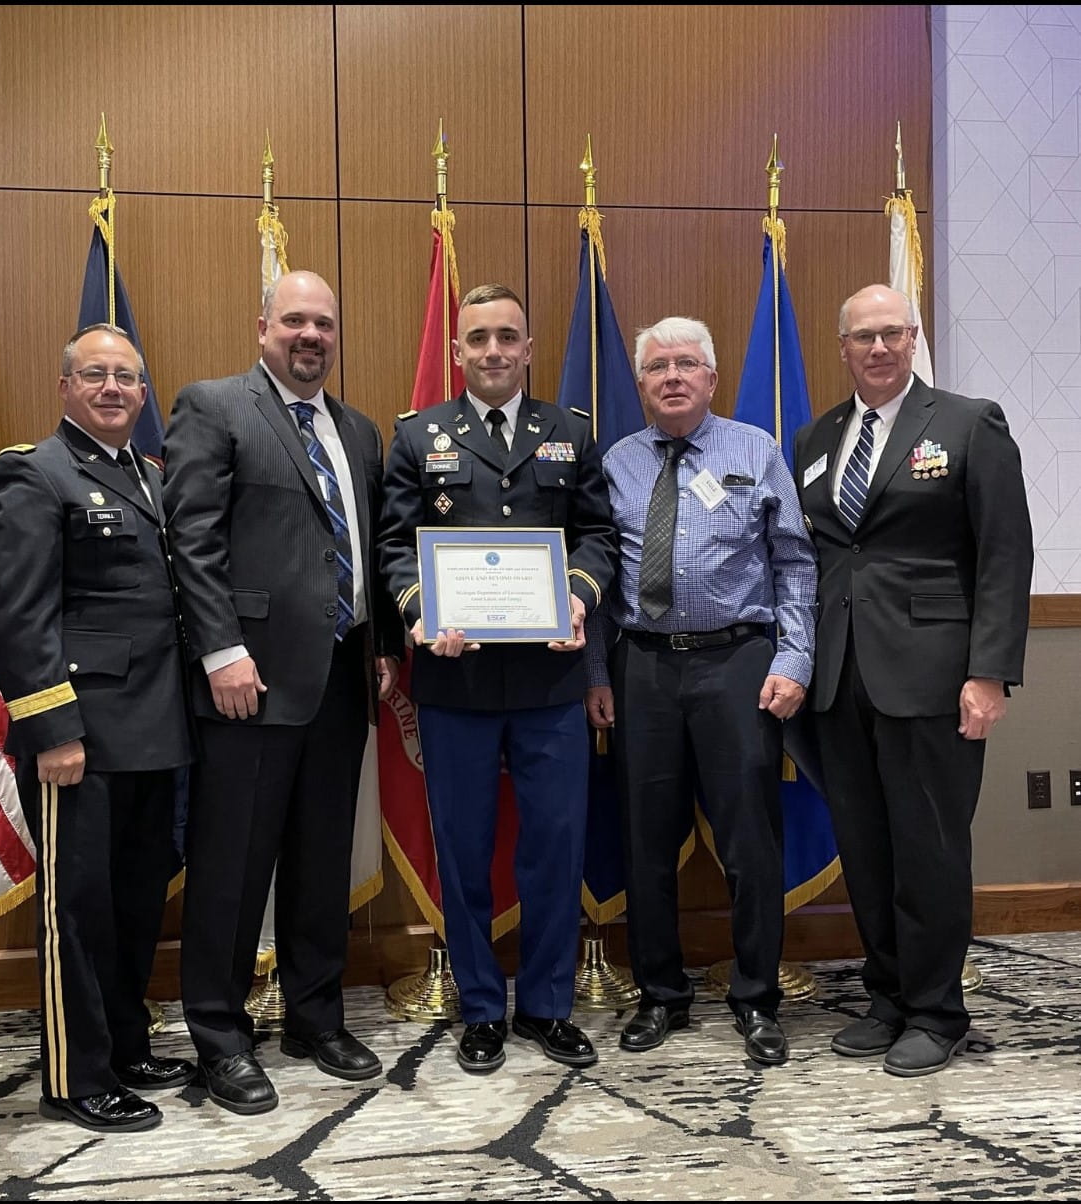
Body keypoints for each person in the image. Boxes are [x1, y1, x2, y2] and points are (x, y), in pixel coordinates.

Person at [162, 270, 404, 1114]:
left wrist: (381, 647)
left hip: (341, 679)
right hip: (248, 682)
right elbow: (189, 537)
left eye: (325, 324)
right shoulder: (215, 406)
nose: (311, 335)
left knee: (319, 859)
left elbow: (369, 550)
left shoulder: (360, 429)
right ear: (262, 325)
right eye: (295, 320)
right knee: (231, 867)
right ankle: (220, 1037)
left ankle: (315, 1016)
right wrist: (220, 649)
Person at [793, 284, 1033, 1077]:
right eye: (863, 336)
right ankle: (889, 995)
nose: (879, 348)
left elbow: (1003, 553)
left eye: (893, 333)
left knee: (929, 846)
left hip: (934, 676)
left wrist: (990, 671)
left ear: (914, 337)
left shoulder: (968, 422)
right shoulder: (816, 438)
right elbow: (822, 557)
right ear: (843, 347)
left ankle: (938, 1011)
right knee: (865, 845)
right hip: (840, 675)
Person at [378, 283, 617, 1073]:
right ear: (457, 351)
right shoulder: (419, 436)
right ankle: (481, 1006)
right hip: (457, 686)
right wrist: (417, 611)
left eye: (505, 336)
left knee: (554, 848)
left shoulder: (570, 434)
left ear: (527, 346)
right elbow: (394, 546)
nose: (491, 350)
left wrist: (577, 600)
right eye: (476, 337)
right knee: (465, 850)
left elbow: (597, 537)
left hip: (551, 685)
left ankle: (546, 1006)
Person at [0, 324, 195, 1133]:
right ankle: (74, 1076)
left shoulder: (150, 473)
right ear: (65, 386)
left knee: (138, 903)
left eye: (127, 378)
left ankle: (127, 1045)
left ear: (143, 393)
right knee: (78, 909)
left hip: (153, 731)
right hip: (81, 740)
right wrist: (52, 731)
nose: (113, 389)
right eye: (95, 375)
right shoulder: (33, 474)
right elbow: (18, 616)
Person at [585, 316, 817, 1067]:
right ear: (643, 383)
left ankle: (756, 997)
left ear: (712, 380)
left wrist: (795, 659)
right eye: (658, 366)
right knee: (645, 839)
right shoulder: (615, 461)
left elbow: (795, 563)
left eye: (688, 364)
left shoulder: (756, 450)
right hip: (642, 666)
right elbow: (591, 575)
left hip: (738, 663)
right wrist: (595, 675)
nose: (673, 376)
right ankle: (661, 994)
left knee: (750, 840)